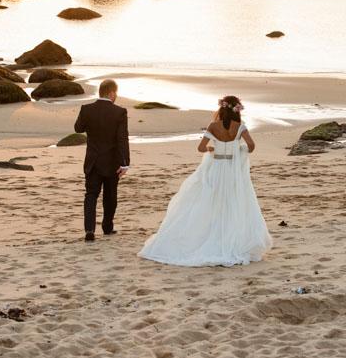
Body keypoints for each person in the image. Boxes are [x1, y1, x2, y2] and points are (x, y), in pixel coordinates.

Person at [138, 95, 272, 266]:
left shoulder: (213, 126)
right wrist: (239, 150)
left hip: (216, 168)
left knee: (212, 202)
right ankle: (229, 237)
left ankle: (211, 234)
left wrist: (211, 148)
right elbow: (251, 146)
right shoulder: (240, 127)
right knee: (231, 202)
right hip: (231, 171)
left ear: (222, 109)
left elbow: (201, 147)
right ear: (236, 110)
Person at [74, 79, 130, 242]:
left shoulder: (87, 109)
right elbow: (122, 139)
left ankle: (89, 230)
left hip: (93, 161)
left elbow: (78, 128)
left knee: (91, 195)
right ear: (112, 93)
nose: (116, 96)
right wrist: (125, 162)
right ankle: (107, 227)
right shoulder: (119, 112)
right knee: (110, 196)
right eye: (116, 93)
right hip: (112, 162)